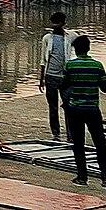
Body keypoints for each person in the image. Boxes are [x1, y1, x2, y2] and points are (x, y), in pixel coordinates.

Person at [61, 34, 106, 187]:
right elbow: (105, 89)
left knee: (78, 143)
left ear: (75, 49)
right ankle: (105, 176)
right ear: (88, 48)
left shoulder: (70, 66)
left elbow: (64, 85)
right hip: (92, 108)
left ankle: (82, 176)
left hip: (75, 109)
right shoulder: (97, 65)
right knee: (100, 142)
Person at [40, 12, 71, 140]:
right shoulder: (47, 38)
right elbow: (43, 60)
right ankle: (56, 133)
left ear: (64, 23)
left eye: (58, 23)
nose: (55, 26)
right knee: (53, 107)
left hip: (65, 77)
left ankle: (70, 134)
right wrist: (41, 79)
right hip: (50, 76)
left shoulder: (70, 37)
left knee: (68, 106)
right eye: (54, 23)